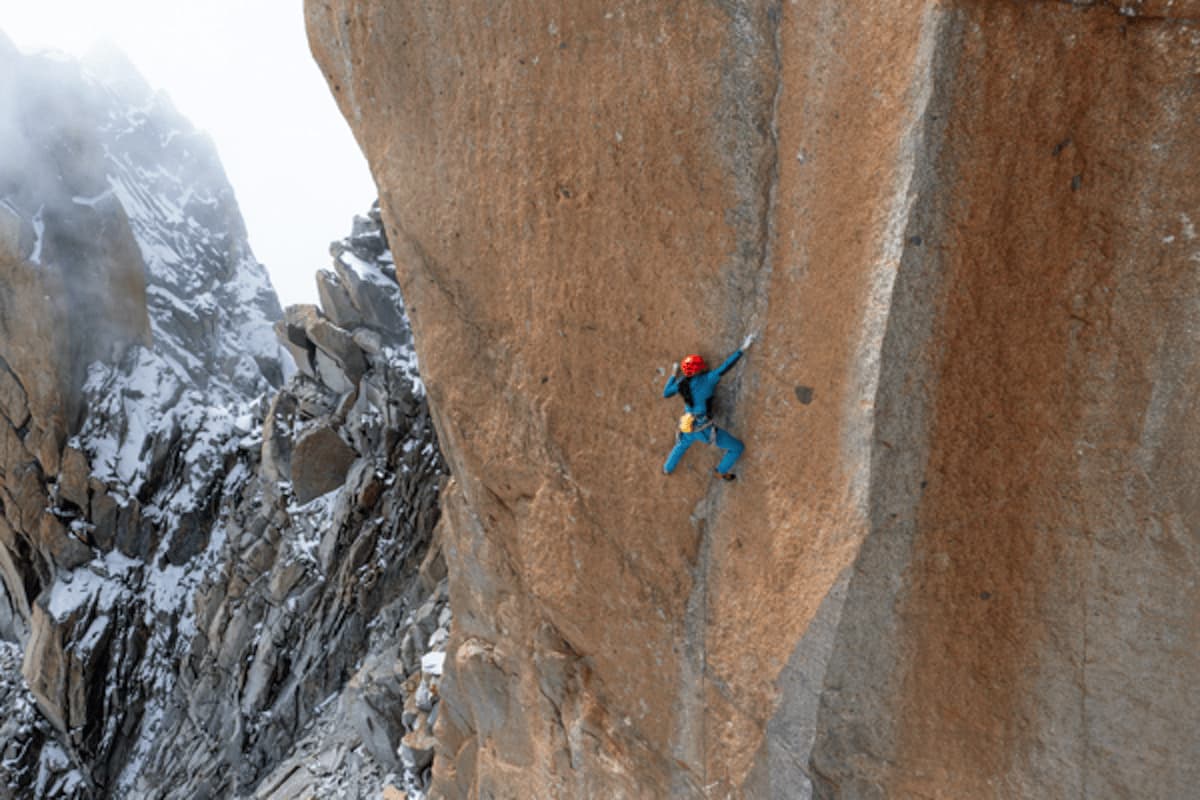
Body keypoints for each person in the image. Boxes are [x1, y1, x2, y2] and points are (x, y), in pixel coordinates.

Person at [662, 333, 755, 480]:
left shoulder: (681, 383)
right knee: (737, 448)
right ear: (698, 369)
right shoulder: (708, 379)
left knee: (681, 446)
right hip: (704, 429)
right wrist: (743, 348)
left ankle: (667, 468)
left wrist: (673, 374)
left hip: (688, 425)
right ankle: (721, 470)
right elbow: (726, 367)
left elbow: (666, 393)